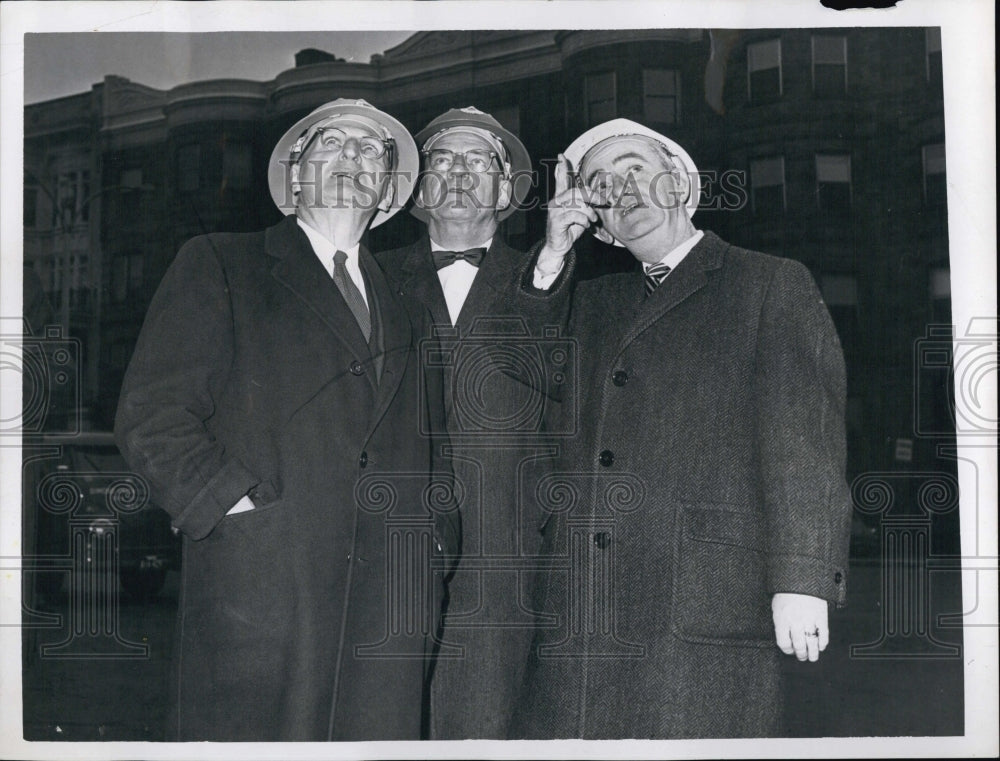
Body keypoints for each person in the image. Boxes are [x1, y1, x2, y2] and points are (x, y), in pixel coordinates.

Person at [115, 99, 457, 741]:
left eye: (371, 153)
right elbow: (153, 418)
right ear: (295, 175)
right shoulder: (219, 261)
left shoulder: (412, 309)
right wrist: (235, 509)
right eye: (332, 143)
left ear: (387, 191)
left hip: (389, 610)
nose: (353, 158)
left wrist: (434, 552)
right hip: (263, 593)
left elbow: (433, 450)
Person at [508, 118, 852, 738]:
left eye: (636, 168)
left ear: (679, 184)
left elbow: (803, 444)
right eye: (601, 185)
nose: (623, 189)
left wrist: (802, 578)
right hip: (585, 607)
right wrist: (553, 254)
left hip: (702, 603)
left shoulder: (769, 282)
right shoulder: (588, 302)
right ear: (600, 225)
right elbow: (516, 374)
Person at [375, 106, 559, 739]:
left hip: (505, 563)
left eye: (478, 160)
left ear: (507, 192)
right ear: (418, 189)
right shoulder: (365, 280)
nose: (457, 172)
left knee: (487, 731)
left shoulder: (560, 280)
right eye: (441, 160)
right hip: (384, 550)